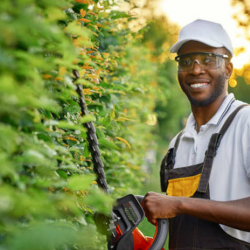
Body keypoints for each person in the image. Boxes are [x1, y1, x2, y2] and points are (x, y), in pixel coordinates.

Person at [141, 19, 250, 249]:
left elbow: (177, 206)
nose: (196, 69)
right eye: (187, 61)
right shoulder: (177, 145)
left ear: (228, 69)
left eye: (208, 59)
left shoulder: (245, 123)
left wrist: (180, 204)